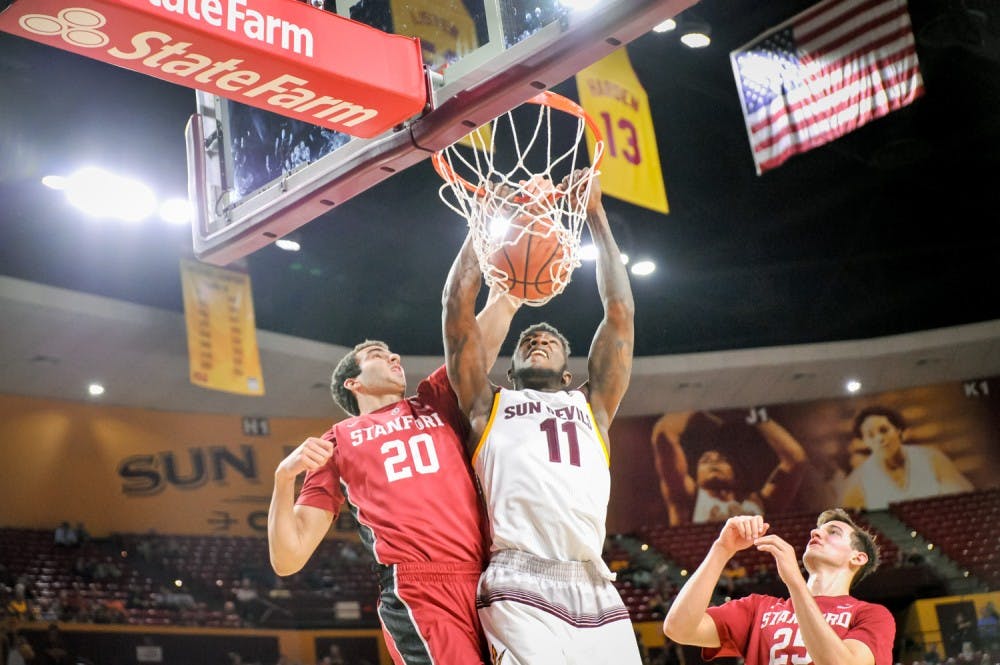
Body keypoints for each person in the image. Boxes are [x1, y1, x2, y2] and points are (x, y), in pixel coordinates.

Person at [443, 169, 641, 664]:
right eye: (528, 340)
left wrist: (594, 212)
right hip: (519, 576)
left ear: (570, 375)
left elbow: (619, 312)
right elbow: (456, 307)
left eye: (550, 341)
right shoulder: (488, 406)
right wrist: (483, 223)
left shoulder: (591, 408)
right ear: (507, 371)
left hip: (594, 582)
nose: (537, 338)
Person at [267, 289, 520, 665]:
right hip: (420, 590)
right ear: (353, 383)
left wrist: (510, 295)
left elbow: (473, 348)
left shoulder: (435, 401)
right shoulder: (336, 441)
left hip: (491, 577)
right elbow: (288, 559)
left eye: (392, 353)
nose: (393, 357)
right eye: (376, 355)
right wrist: (282, 479)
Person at [663, 509, 896, 665]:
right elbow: (678, 628)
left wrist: (795, 581)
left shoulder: (871, 615)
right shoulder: (759, 608)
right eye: (818, 530)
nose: (815, 533)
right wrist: (722, 549)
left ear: (858, 558)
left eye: (833, 532)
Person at [650, 409, 807, 525]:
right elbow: (663, 435)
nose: (713, 462)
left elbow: (796, 459)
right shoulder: (685, 500)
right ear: (695, 476)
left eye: (721, 459)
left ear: (735, 473)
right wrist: (696, 407)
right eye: (705, 460)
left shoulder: (762, 502)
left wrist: (753, 413)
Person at [839, 406, 973, 510]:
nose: (880, 439)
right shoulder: (857, 481)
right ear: (865, 441)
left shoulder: (931, 458)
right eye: (871, 435)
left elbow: (964, 500)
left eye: (884, 430)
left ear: (899, 430)